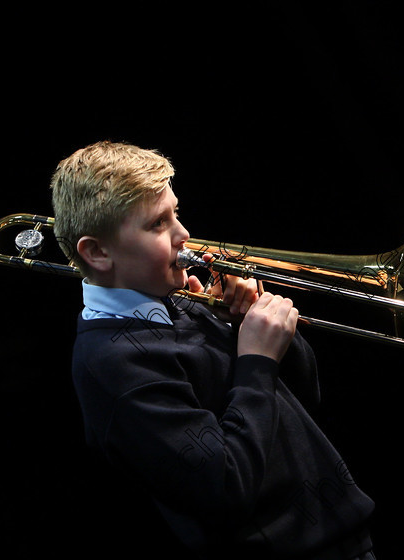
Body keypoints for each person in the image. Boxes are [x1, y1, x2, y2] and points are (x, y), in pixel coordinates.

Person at [50, 141, 376, 559]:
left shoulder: (177, 301)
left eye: (176, 214)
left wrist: (250, 326)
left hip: (344, 538)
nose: (183, 235)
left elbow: (302, 399)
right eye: (156, 224)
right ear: (97, 252)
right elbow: (224, 487)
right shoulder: (113, 363)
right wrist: (255, 361)